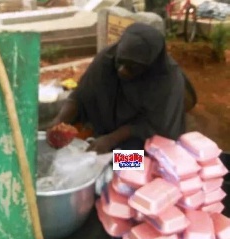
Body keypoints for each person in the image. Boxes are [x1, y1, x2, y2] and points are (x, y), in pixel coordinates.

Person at [45, 23, 197, 154]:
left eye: (133, 67)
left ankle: (116, 165)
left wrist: (112, 140)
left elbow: (154, 125)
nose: (122, 71)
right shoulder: (108, 58)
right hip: (110, 126)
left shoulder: (167, 80)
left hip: (148, 137)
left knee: (131, 163)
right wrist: (59, 120)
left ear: (149, 65)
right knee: (94, 154)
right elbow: (81, 95)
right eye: (120, 63)